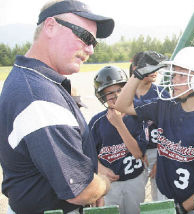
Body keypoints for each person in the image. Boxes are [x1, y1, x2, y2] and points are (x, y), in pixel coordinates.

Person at [0, 0, 114, 213]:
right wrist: (103, 183)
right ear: (50, 26)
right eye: (85, 37)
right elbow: (81, 191)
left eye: (94, 43)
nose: (90, 49)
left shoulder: (33, 79)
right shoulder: (38, 97)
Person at [115, 46, 194, 214]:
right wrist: (137, 75)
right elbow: (122, 105)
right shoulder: (165, 106)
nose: (174, 80)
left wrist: (183, 208)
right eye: (174, 74)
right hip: (164, 195)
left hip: (192, 205)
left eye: (182, 75)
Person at [89, 65, 147, 214]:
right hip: (109, 183)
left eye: (120, 90)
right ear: (102, 96)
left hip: (134, 179)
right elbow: (86, 153)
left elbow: (138, 153)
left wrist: (119, 124)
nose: (116, 96)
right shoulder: (97, 123)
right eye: (109, 93)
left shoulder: (137, 115)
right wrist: (100, 167)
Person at [129, 51, 169, 201]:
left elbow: (169, 129)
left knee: (159, 198)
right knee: (133, 200)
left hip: (158, 152)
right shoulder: (126, 93)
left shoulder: (162, 93)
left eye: (156, 67)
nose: (154, 71)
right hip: (132, 153)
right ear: (136, 68)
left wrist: (161, 159)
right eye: (149, 66)